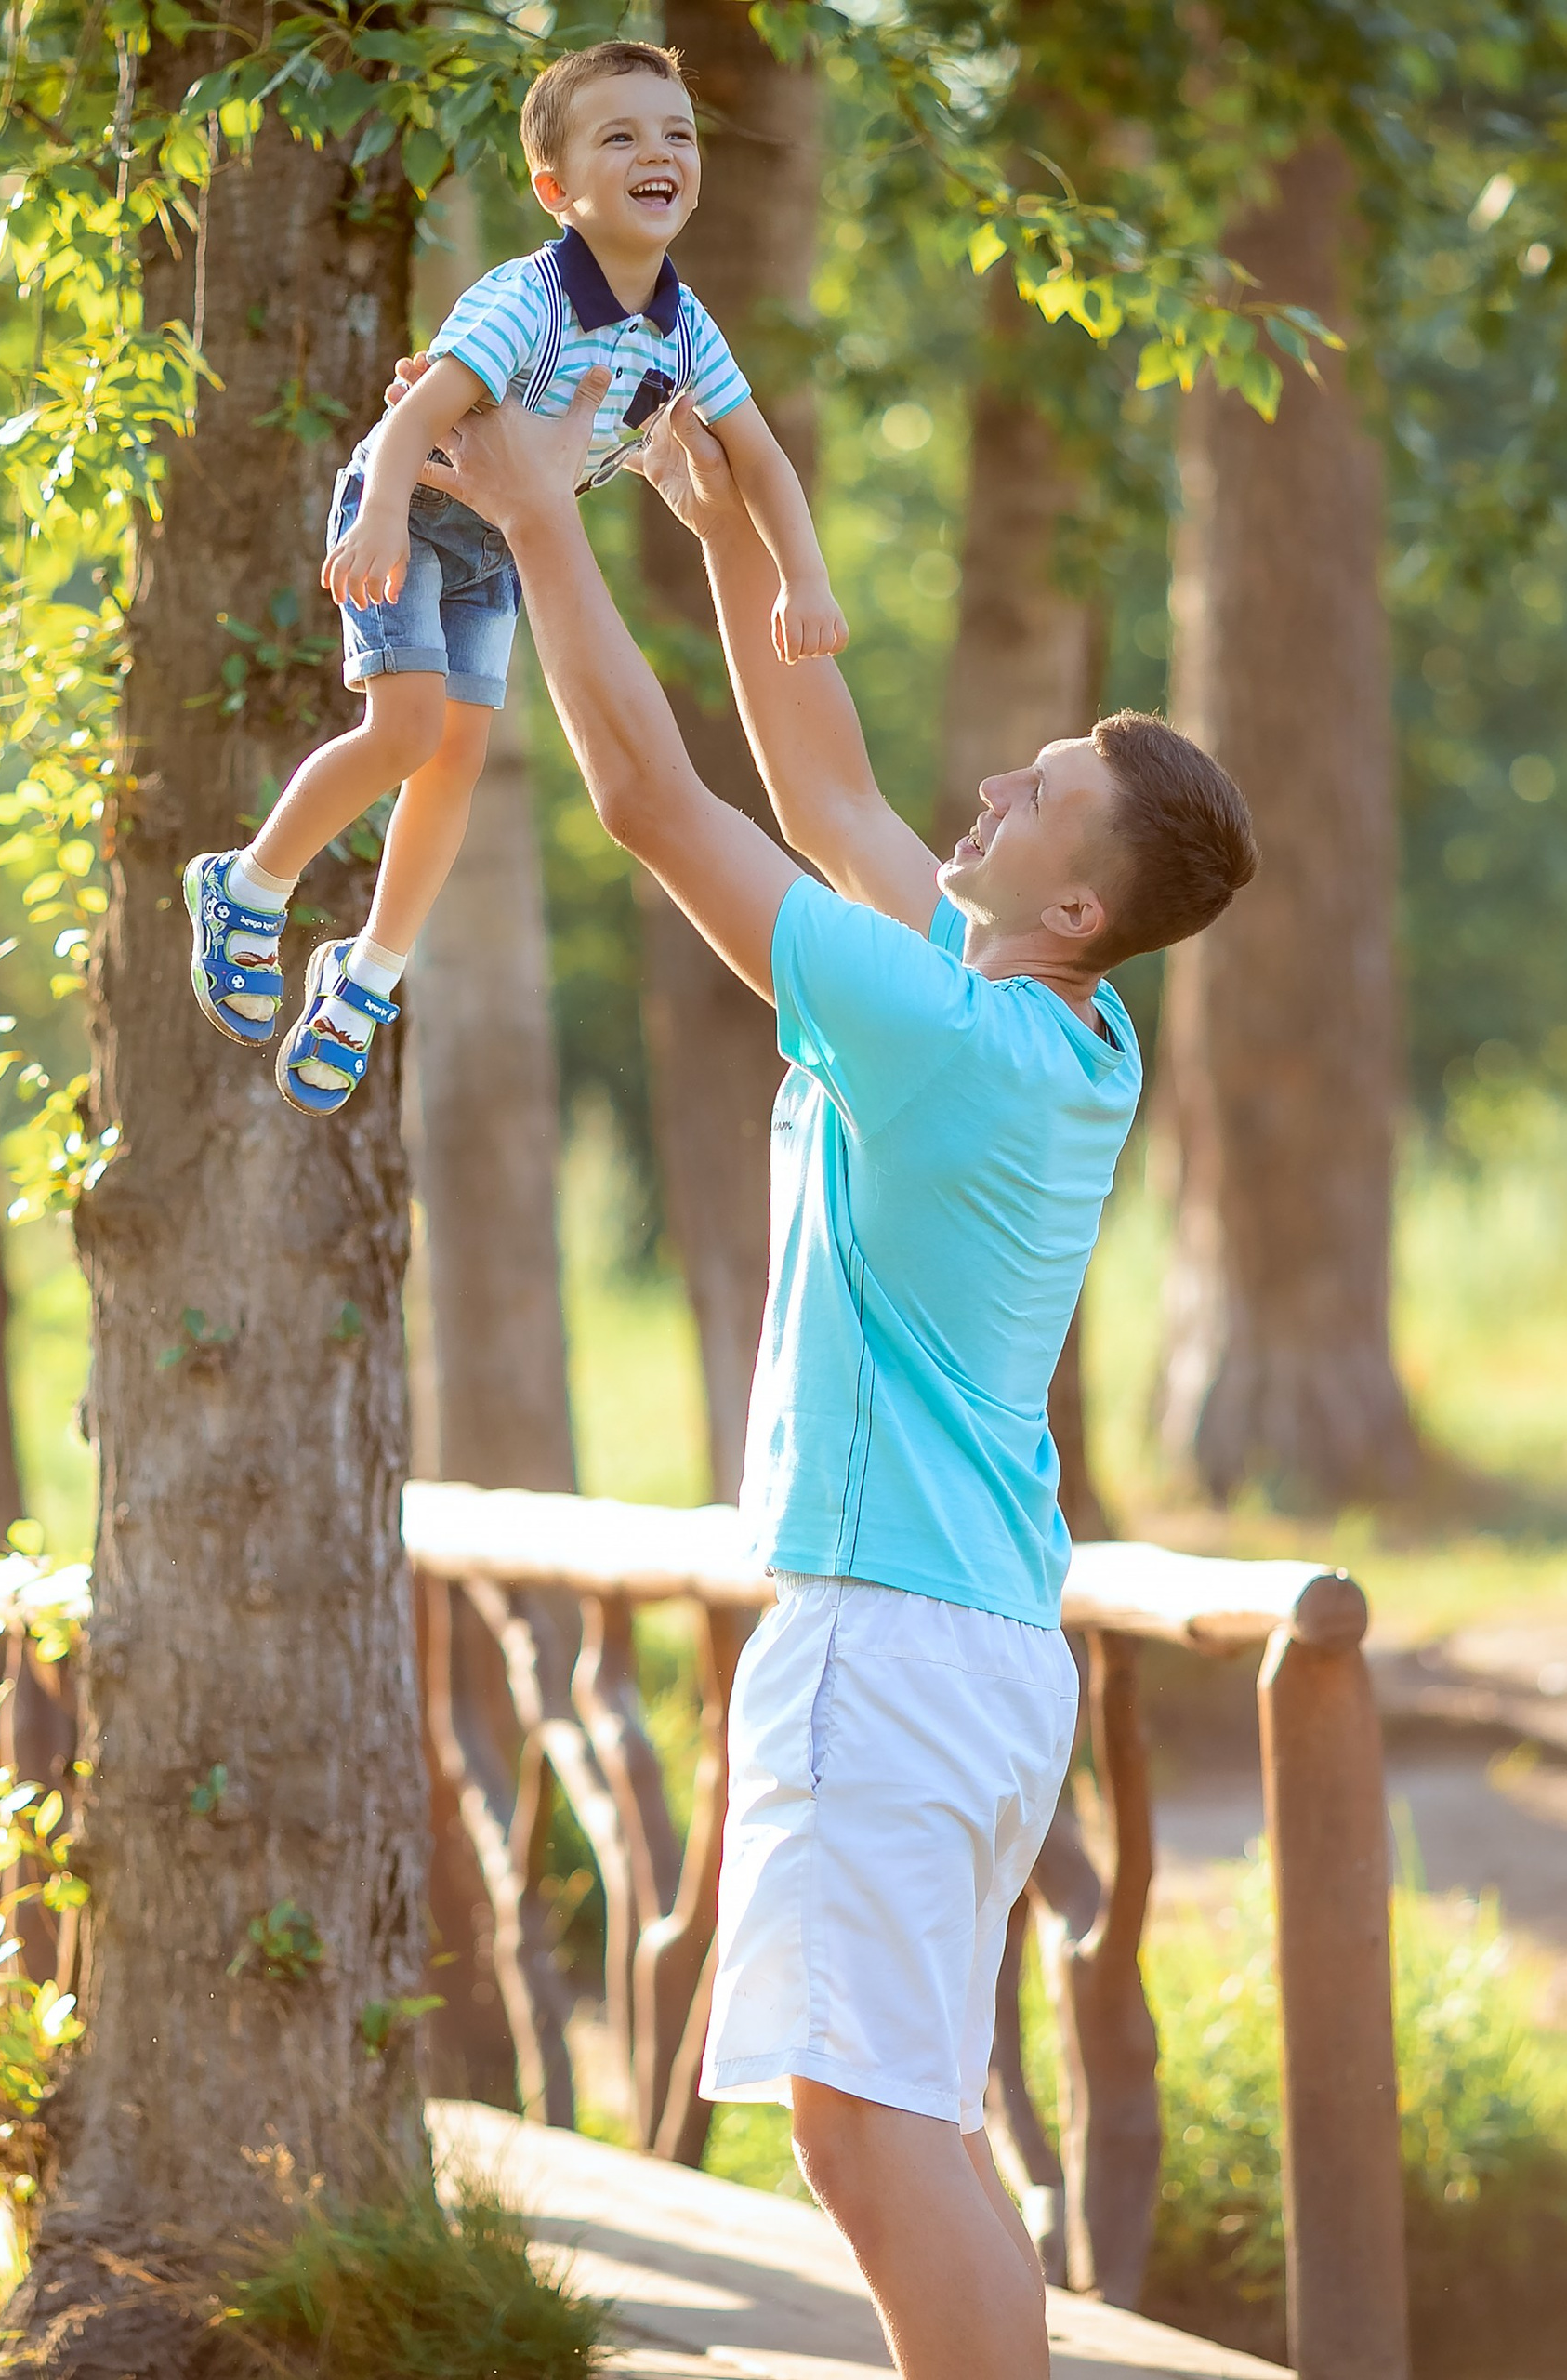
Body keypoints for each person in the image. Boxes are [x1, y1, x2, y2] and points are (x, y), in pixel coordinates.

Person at [399, 363, 1257, 2377]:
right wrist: (729, 539)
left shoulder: (945, 1035)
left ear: (1074, 902)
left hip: (888, 1636)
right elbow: (837, 803)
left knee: (863, 2135)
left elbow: (651, 804)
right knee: (903, 2123)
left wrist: (537, 517)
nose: (993, 784)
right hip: (969, 1643)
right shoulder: (1058, 1030)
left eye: (1037, 792)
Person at [180, 37, 846, 1117]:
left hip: (494, 544)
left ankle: (365, 975)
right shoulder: (526, 299)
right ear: (555, 190)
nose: (657, 152)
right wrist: (379, 517)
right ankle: (246, 885)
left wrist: (800, 577)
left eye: (676, 134)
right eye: (619, 136)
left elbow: (760, 458)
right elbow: (416, 415)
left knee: (456, 760)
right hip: (412, 509)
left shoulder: (684, 328)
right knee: (406, 732)